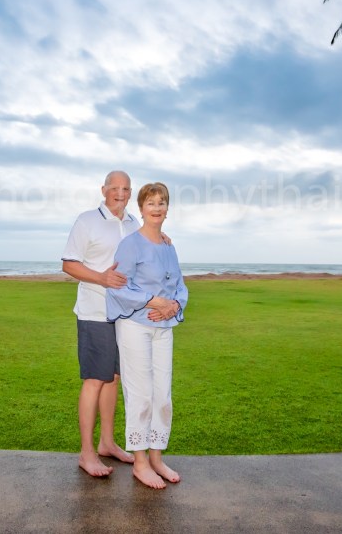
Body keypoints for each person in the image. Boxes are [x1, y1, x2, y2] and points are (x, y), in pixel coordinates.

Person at [106, 182, 187, 489]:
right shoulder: (130, 244)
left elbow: (179, 285)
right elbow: (118, 286)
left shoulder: (168, 246)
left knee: (162, 395)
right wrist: (154, 302)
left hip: (164, 328)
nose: (157, 208)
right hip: (135, 326)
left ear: (167, 209)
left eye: (161, 203)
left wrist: (174, 306)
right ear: (141, 209)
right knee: (140, 393)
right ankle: (140, 463)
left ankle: (156, 457)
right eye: (151, 203)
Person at [62, 171, 139, 476]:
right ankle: (87, 453)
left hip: (124, 315)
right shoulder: (87, 220)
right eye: (114, 188)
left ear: (130, 192)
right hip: (95, 313)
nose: (120, 193)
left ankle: (107, 443)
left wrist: (162, 239)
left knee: (114, 378)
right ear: (103, 190)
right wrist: (102, 278)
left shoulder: (133, 223)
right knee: (95, 379)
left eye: (126, 188)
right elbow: (69, 264)